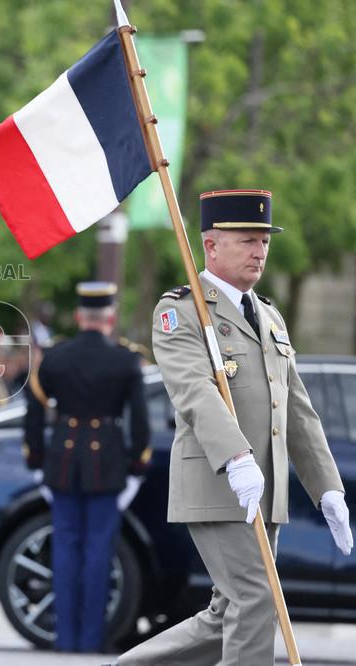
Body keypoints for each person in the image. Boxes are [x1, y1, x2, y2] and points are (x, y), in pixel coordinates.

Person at [108, 190, 352, 666]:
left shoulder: (269, 315)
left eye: (264, 240)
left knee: (231, 610)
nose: (259, 250)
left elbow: (297, 409)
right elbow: (195, 392)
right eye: (246, 240)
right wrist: (236, 457)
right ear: (211, 245)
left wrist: (327, 487)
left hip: (267, 488)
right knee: (255, 599)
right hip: (221, 481)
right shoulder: (181, 311)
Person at [23, 282, 150, 654]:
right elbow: (139, 422)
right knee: (98, 553)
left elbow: (34, 413)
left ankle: (66, 640)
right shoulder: (126, 359)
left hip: (62, 461)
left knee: (65, 551)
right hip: (108, 465)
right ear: (110, 317)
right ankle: (91, 641)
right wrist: (136, 468)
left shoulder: (55, 356)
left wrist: (35, 461)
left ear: (79, 316)